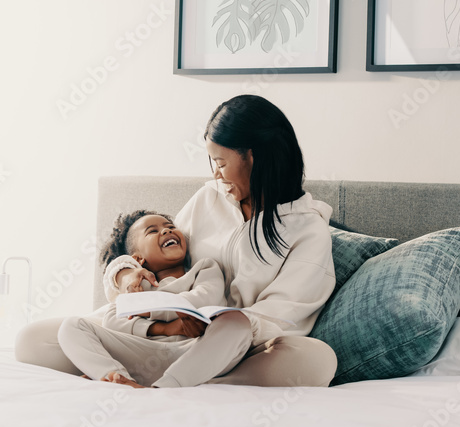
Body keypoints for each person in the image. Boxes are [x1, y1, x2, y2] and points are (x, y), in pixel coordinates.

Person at [17, 94, 337, 387]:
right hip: (162, 337)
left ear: (254, 158)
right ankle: (164, 378)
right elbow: (156, 252)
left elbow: (282, 316)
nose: (216, 174)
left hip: (235, 348)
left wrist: (218, 323)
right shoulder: (208, 199)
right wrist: (125, 273)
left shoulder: (308, 230)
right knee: (33, 339)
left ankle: (179, 383)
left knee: (317, 360)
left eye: (222, 163)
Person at [57, 211, 252, 388]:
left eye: (170, 227)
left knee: (238, 324)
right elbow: (113, 318)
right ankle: (118, 379)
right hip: (145, 353)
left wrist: (149, 309)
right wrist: (166, 328)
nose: (167, 231)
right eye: (153, 231)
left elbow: (204, 299)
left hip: (195, 353)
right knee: (71, 326)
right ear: (138, 259)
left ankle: (165, 387)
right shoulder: (138, 287)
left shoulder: (204, 268)